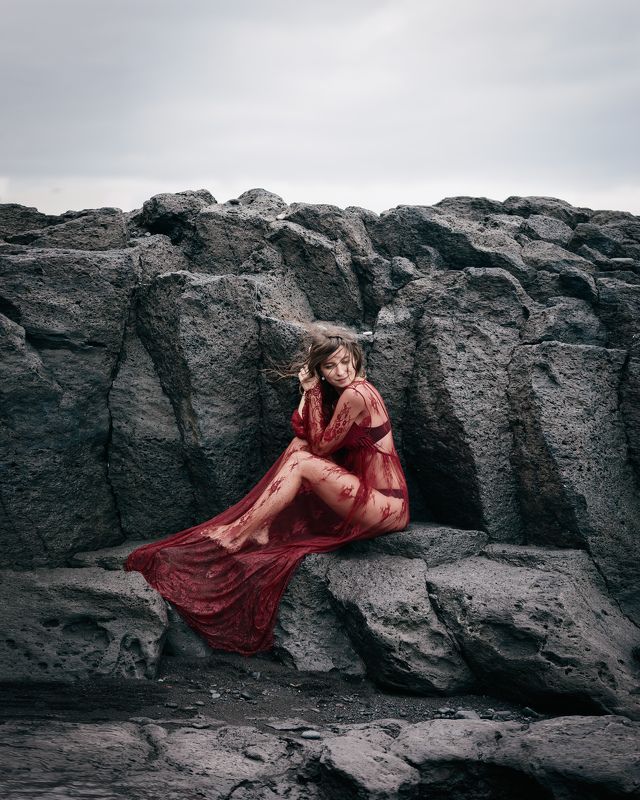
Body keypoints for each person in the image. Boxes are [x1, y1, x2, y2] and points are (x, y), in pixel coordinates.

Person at [124, 324, 410, 656]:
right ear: (319, 369)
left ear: (356, 361)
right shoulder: (343, 393)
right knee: (298, 447)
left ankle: (241, 532)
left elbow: (320, 447)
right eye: (330, 366)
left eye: (345, 362)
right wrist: (309, 392)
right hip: (370, 498)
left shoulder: (357, 393)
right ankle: (254, 528)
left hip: (386, 506)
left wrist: (314, 391)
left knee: (304, 459)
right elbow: (304, 432)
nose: (340, 371)